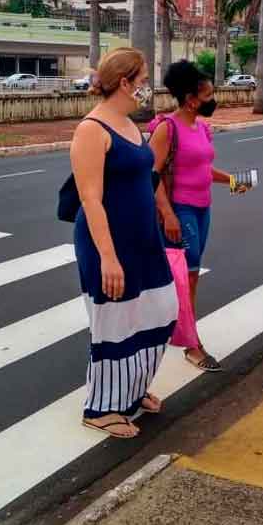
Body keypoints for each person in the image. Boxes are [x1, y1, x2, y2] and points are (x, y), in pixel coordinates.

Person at [70, 48, 178, 439]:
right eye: (144, 79)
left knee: (159, 312)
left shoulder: (130, 124)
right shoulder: (92, 129)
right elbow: (90, 199)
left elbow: (143, 180)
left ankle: (130, 391)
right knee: (114, 323)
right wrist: (108, 259)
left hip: (143, 239)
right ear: (125, 82)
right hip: (107, 244)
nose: (148, 86)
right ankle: (100, 408)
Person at [148, 60, 241, 372]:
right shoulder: (166, 128)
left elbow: (202, 169)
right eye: (208, 95)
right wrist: (168, 214)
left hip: (203, 208)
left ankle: (173, 327)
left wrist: (232, 180)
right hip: (181, 210)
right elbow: (153, 175)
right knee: (188, 274)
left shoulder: (202, 127)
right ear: (190, 99)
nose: (213, 100)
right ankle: (191, 344)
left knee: (190, 274)